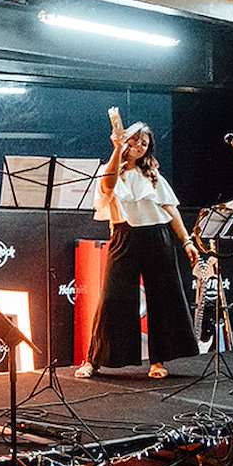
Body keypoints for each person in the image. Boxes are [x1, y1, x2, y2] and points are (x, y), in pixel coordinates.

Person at [76, 121, 200, 379]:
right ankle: (93, 359)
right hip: (124, 235)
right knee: (112, 298)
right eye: (135, 141)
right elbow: (107, 188)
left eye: (144, 143)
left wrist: (186, 241)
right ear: (125, 140)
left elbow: (170, 209)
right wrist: (117, 149)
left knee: (163, 299)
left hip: (158, 235)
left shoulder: (153, 175)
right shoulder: (110, 170)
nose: (139, 147)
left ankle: (158, 361)